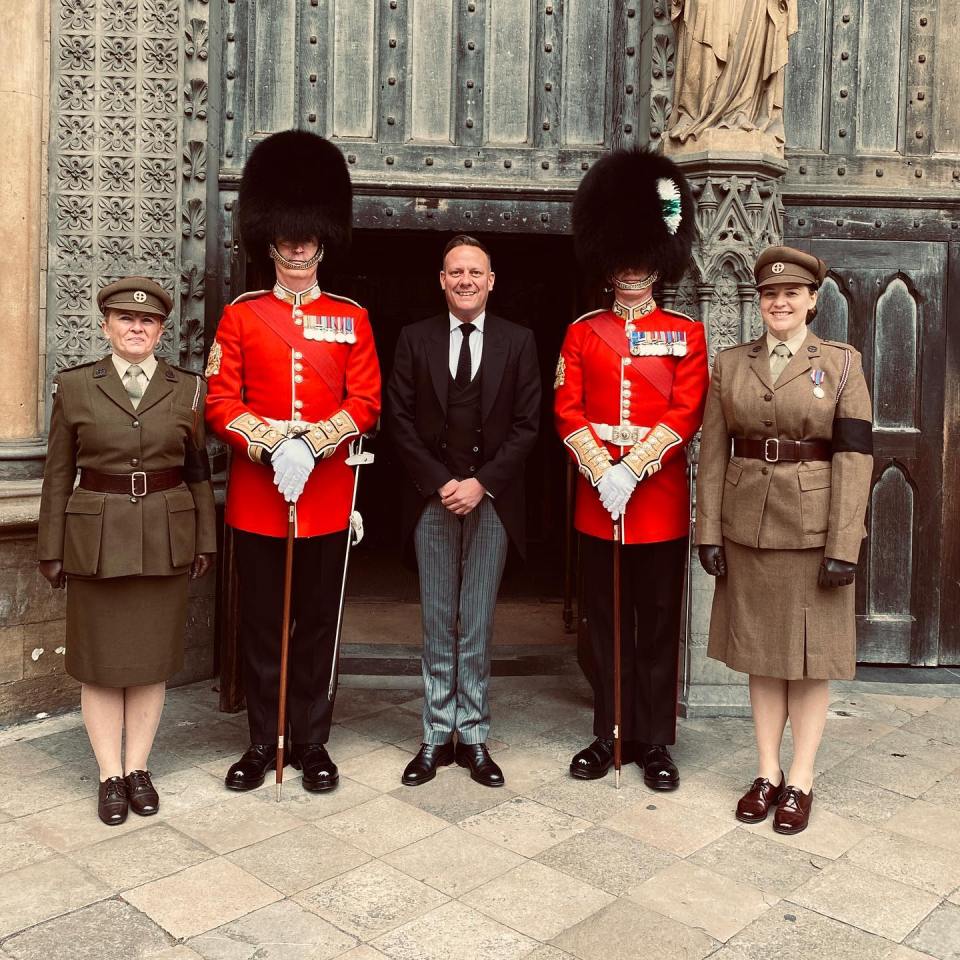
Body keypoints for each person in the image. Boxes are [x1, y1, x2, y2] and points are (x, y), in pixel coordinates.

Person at [206, 130, 380, 794]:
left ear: (322, 239)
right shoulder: (243, 317)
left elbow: (365, 399)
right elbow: (220, 401)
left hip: (328, 497)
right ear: (271, 241)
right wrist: (271, 441)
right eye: (287, 236)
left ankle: (311, 740)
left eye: (307, 235)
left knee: (317, 627)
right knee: (262, 626)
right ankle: (263, 738)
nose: (298, 245)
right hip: (259, 497)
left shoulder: (351, 317)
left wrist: (312, 442)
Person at [695, 245, 873, 834]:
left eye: (791, 293)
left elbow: (854, 457)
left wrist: (844, 544)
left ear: (812, 301)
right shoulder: (730, 363)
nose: (779, 302)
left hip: (815, 533)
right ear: (759, 301)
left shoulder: (843, 364)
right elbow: (712, 454)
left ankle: (801, 779)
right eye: (770, 294)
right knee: (762, 658)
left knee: (809, 660)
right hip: (748, 528)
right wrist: (709, 530)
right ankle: (766, 772)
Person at [37, 277, 216, 826]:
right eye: (125, 320)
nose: (136, 329)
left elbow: (199, 473)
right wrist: (51, 547)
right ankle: (108, 775)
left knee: (149, 664)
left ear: (161, 331)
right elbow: (57, 474)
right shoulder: (74, 387)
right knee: (99, 665)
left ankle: (139, 769)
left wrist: (204, 538)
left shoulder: (187, 388)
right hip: (95, 541)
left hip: (164, 537)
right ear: (106, 326)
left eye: (148, 322)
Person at [556, 148, 709, 790]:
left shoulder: (686, 333)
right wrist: (601, 469)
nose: (631, 271)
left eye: (641, 258)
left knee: (655, 627)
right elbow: (568, 410)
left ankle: (654, 739)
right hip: (600, 503)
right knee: (606, 625)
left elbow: (685, 411)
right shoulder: (583, 332)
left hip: (658, 504)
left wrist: (635, 468)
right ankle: (609, 731)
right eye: (622, 258)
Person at [387, 235, 540, 788]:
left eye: (476, 272)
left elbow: (528, 427)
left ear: (491, 280)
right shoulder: (414, 339)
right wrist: (442, 482)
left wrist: (481, 484)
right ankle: (434, 734)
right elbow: (398, 419)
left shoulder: (519, 342)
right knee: (436, 621)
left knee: (475, 621)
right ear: (442, 280)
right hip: (431, 500)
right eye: (456, 272)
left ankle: (472, 735)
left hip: (493, 503)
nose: (466, 280)